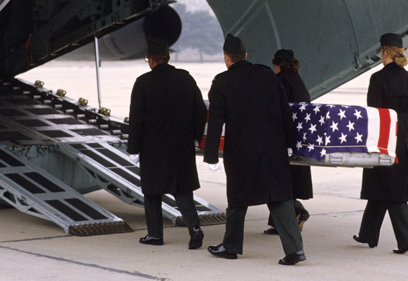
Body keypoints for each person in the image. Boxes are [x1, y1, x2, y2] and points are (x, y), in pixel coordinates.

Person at [204, 34, 306, 265]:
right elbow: (284, 111)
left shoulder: (221, 82)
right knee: (280, 197)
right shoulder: (267, 74)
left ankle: (230, 246)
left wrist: (210, 155)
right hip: (274, 147)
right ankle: (295, 250)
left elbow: (216, 122)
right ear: (246, 55)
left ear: (226, 58)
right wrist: (290, 143)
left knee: (238, 198)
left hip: (241, 150)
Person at [127, 37, 207, 249]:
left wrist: (133, 147)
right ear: (168, 58)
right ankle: (195, 229)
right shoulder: (185, 79)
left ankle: (155, 235)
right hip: (181, 145)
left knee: (152, 192)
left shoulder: (143, 82)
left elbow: (137, 118)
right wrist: (196, 136)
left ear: (151, 60)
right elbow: (200, 109)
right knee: (182, 191)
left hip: (153, 147)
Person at [354, 32, 408, 254]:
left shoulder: (378, 79)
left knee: (392, 188)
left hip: (385, 134)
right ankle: (367, 234)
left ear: (384, 52)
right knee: (381, 185)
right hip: (404, 135)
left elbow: (373, 113)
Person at [263, 49, 312, 235]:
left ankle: (297, 212)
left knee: (275, 182)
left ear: (278, 64)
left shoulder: (281, 80)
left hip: (283, 138)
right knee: (286, 182)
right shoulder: (298, 80)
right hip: (298, 138)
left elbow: (276, 109)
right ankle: (278, 223)